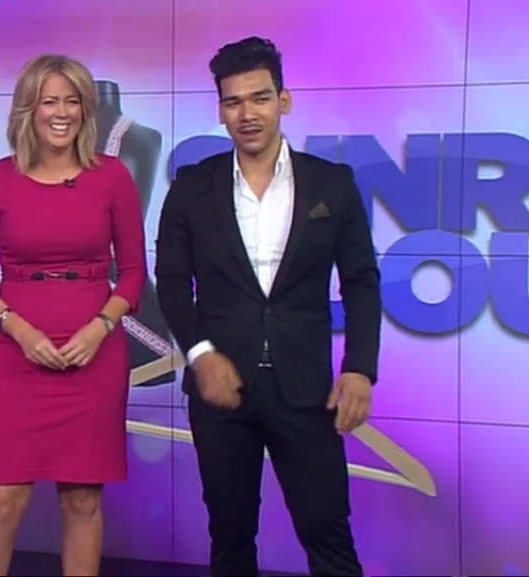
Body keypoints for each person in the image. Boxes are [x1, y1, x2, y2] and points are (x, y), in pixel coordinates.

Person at [155, 37, 381, 577]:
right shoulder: (191, 187)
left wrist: (359, 368)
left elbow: (361, 281)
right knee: (230, 538)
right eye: (233, 102)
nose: (247, 114)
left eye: (259, 98)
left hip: (305, 390)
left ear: (284, 100)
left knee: (328, 534)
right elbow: (172, 282)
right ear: (220, 110)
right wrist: (201, 354)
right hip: (221, 394)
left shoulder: (332, 184)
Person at [0, 54, 147, 577]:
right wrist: (19, 330)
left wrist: (100, 328)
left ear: (85, 110)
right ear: (29, 109)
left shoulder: (112, 178)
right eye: (50, 101)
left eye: (72, 101)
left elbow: (134, 274)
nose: (61, 113)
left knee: (83, 502)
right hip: (15, 357)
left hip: (93, 356)